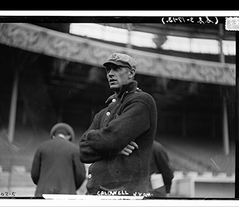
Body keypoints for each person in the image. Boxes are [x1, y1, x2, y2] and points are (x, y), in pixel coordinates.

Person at [79, 53, 157, 196]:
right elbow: (83, 151)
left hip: (124, 194)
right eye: (108, 70)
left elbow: (113, 138)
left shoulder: (142, 101)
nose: (111, 74)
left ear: (131, 73)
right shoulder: (103, 112)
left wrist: (94, 139)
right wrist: (114, 148)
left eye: (116, 69)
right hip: (95, 192)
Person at [31, 123, 86, 197]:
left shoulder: (42, 147)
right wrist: (71, 187)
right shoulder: (74, 149)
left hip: (43, 193)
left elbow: (35, 174)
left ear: (53, 136)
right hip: (67, 194)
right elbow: (81, 175)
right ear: (69, 136)